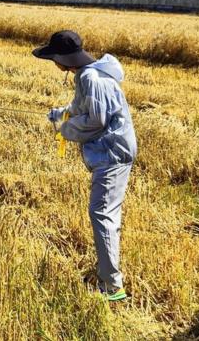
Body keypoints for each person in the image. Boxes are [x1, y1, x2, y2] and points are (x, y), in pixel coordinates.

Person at [33, 30, 137, 302]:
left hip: (112, 154)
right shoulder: (87, 74)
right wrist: (62, 113)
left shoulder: (91, 78)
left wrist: (66, 129)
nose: (54, 63)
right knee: (102, 213)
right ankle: (105, 271)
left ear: (64, 59)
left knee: (101, 213)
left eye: (54, 58)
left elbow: (96, 120)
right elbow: (84, 107)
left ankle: (111, 287)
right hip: (109, 152)